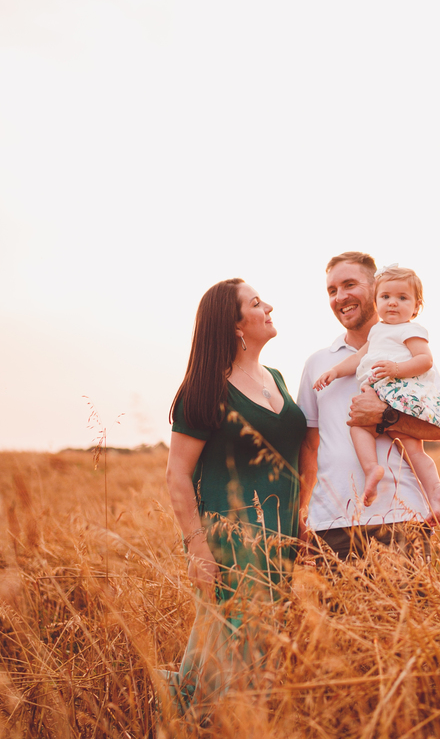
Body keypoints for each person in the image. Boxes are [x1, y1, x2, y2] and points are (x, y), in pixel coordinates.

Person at [162, 278, 309, 711]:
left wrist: (301, 515)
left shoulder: (277, 378)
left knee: (253, 648)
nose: (269, 308)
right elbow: (176, 475)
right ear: (235, 325)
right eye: (257, 303)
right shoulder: (205, 389)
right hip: (230, 542)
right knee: (240, 651)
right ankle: (208, 718)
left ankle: (181, 716)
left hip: (282, 538)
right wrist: (196, 546)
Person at [297, 253, 440, 562]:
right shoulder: (318, 363)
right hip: (331, 524)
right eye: (332, 290)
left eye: (349, 285)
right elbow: (309, 445)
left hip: (403, 518)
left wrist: (385, 417)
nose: (340, 296)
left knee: (408, 612)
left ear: (374, 288)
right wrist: (301, 514)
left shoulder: (409, 354)